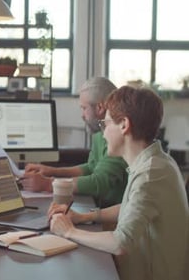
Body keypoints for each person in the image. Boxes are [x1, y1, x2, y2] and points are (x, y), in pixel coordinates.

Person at [48, 86, 189, 280]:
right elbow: (130, 206)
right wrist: (83, 217)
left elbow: (120, 243)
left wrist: (69, 231)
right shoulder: (155, 162)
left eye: (105, 124)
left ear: (124, 124)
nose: (103, 134)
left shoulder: (151, 173)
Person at [20, 77, 128, 207]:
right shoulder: (99, 133)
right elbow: (91, 168)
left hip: (113, 215)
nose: (82, 115)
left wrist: (48, 184)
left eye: (84, 108)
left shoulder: (117, 136)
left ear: (100, 107)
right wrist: (51, 171)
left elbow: (99, 182)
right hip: (99, 206)